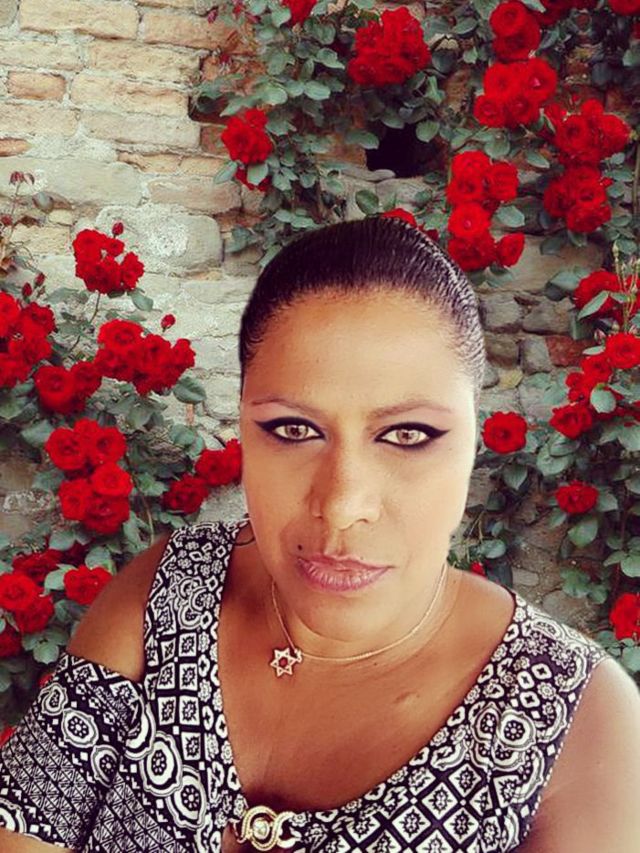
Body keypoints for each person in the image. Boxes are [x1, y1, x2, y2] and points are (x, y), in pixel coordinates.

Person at [0, 216, 638, 853]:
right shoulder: (167, 595)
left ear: (473, 441)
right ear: (242, 426)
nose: (341, 506)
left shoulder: (580, 718)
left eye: (408, 434)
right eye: (293, 429)